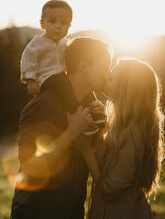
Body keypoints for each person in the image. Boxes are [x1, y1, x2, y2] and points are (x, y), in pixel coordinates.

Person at [10, 37, 112, 219]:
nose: (108, 73)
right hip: (36, 212)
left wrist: (104, 124)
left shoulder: (91, 109)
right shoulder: (43, 104)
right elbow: (29, 166)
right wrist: (71, 133)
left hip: (71, 211)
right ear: (83, 66)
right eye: (104, 65)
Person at [88, 58, 164, 219]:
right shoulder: (125, 125)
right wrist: (105, 122)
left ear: (125, 90)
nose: (105, 78)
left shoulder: (132, 135)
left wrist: (85, 150)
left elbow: (110, 190)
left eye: (110, 78)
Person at [20, 0, 100, 136]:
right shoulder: (37, 44)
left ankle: (95, 107)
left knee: (80, 82)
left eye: (64, 23)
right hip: (45, 78)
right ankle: (76, 115)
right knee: (62, 83)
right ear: (42, 24)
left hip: (63, 76)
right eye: (52, 21)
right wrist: (31, 81)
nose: (58, 26)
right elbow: (28, 61)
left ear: (69, 26)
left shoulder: (65, 43)